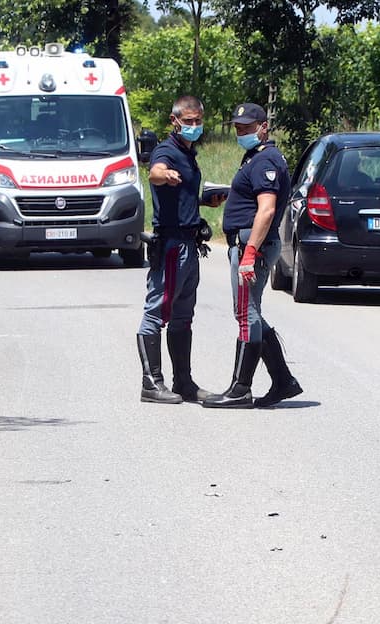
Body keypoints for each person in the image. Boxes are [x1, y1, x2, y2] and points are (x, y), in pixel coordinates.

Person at [203, 102, 303, 409]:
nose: (241, 132)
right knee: (250, 312)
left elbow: (268, 209)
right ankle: (283, 381)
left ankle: (240, 389)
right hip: (249, 244)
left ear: (264, 127)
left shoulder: (266, 160)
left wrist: (249, 254)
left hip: (253, 247)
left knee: (246, 314)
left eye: (247, 127)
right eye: (238, 128)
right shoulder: (255, 158)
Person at [136, 95, 226, 404]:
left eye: (198, 121)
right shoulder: (167, 151)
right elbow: (155, 172)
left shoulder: (189, 154)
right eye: (188, 121)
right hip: (172, 245)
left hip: (190, 244)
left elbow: (183, 194)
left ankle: (183, 382)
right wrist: (165, 174)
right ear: (174, 121)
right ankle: (151, 383)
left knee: (183, 315)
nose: (194, 126)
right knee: (156, 311)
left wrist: (205, 201)